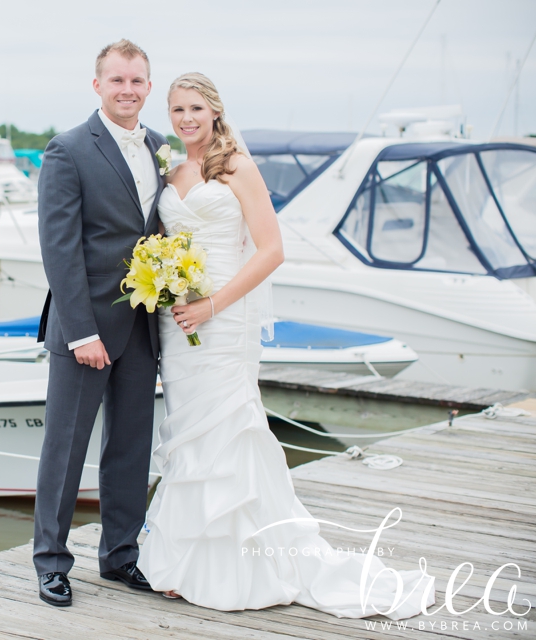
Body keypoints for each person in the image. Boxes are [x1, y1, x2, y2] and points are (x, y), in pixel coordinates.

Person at [136, 72, 435, 619]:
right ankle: (185, 561)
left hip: (223, 320)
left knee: (228, 428)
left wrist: (212, 304)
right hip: (177, 322)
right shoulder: (173, 170)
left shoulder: (239, 169)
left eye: (195, 108)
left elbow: (271, 251)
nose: (185, 119)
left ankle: (243, 564)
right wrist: (168, 281)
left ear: (215, 112)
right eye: (177, 110)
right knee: (187, 434)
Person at [34, 39, 167, 607]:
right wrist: (82, 331)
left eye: (137, 81)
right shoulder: (67, 150)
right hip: (84, 327)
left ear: (148, 86)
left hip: (143, 325)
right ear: (98, 86)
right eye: (117, 81)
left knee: (132, 448)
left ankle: (120, 557)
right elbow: (59, 249)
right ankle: (50, 562)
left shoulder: (162, 148)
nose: (128, 90)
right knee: (65, 448)